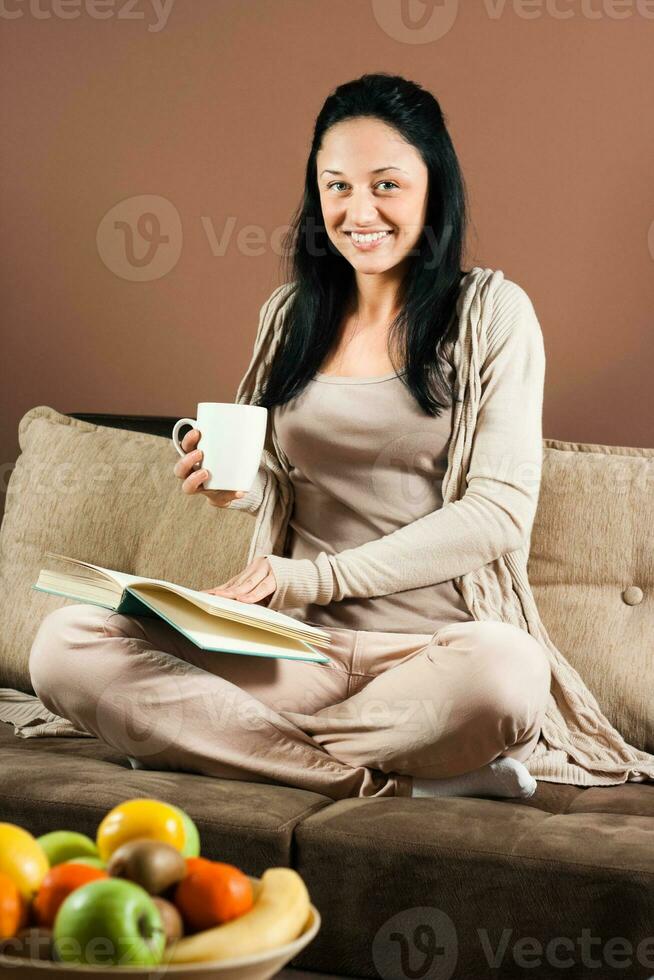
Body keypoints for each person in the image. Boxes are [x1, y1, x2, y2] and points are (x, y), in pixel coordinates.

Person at [28, 73, 554, 803]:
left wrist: (313, 579)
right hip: (288, 650)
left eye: (386, 185)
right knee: (64, 645)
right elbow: (281, 486)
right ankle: (398, 782)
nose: (358, 210)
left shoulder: (493, 312)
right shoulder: (289, 317)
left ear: (436, 187)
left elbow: (498, 513)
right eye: (336, 186)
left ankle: (209, 741)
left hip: (431, 656)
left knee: (509, 673)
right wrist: (237, 489)